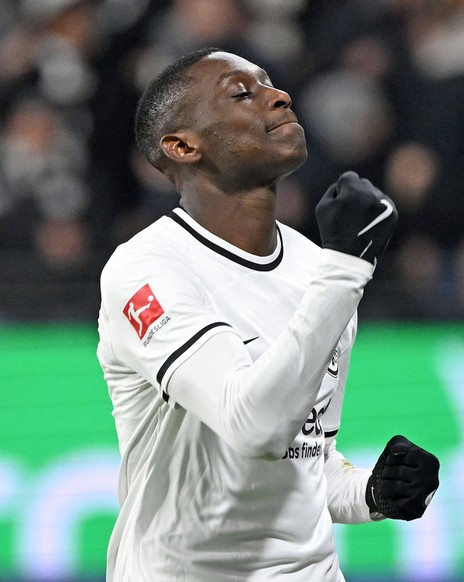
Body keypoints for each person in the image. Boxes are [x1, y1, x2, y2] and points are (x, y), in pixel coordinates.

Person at [96, 46, 440, 581]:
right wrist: (346, 271)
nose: (278, 96)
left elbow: (307, 458)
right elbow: (254, 427)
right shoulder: (145, 271)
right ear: (183, 146)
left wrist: (372, 491)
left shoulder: (315, 265)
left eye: (271, 84)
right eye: (242, 93)